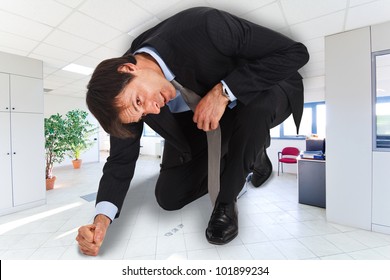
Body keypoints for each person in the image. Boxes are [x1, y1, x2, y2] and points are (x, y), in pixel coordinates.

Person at [76, 7, 309, 256]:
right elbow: (120, 160)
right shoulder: (121, 101)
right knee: (169, 197)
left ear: (127, 69)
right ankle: (251, 152)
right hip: (204, 119)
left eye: (139, 102)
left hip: (265, 87)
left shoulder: (206, 27)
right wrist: (101, 220)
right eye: (142, 114)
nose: (152, 111)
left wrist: (224, 91)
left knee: (255, 110)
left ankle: (227, 201)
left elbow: (295, 52)